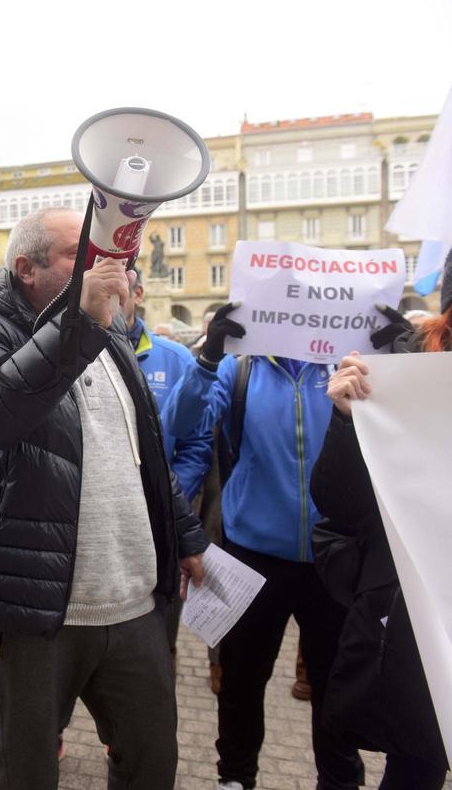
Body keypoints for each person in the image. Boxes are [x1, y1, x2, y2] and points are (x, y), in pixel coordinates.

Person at [0, 207, 207, 790]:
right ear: (26, 267)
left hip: (134, 599)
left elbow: (145, 451)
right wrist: (79, 324)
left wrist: (186, 537)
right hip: (36, 611)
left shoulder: (110, 329)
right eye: (77, 254)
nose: (101, 265)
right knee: (28, 771)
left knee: (151, 760)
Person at [161, 303, 365, 790]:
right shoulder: (241, 368)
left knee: (336, 685)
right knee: (241, 682)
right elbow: (180, 422)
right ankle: (235, 777)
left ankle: (338, 780)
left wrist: (400, 356)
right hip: (252, 552)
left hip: (333, 556)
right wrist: (208, 359)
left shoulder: (344, 365)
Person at [312, 339, 449, 789]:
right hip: (426, 621)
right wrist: (351, 422)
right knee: (418, 763)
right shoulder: (417, 377)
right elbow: (341, 505)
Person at [122, 269, 213, 669]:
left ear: (138, 293)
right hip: (93, 524)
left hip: (161, 523)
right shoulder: (71, 353)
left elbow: (196, 442)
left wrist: (169, 491)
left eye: (119, 283)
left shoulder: (175, 359)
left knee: (158, 642)